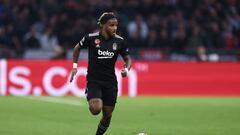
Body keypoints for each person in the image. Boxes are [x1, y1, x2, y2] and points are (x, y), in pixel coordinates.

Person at [69, 12, 132, 135]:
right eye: (111, 25)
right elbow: (77, 48)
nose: (114, 28)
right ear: (102, 25)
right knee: (96, 109)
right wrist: (75, 66)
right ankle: (91, 96)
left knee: (107, 115)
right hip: (94, 81)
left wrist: (127, 69)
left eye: (116, 25)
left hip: (110, 83)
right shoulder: (91, 38)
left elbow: (128, 58)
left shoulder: (119, 41)